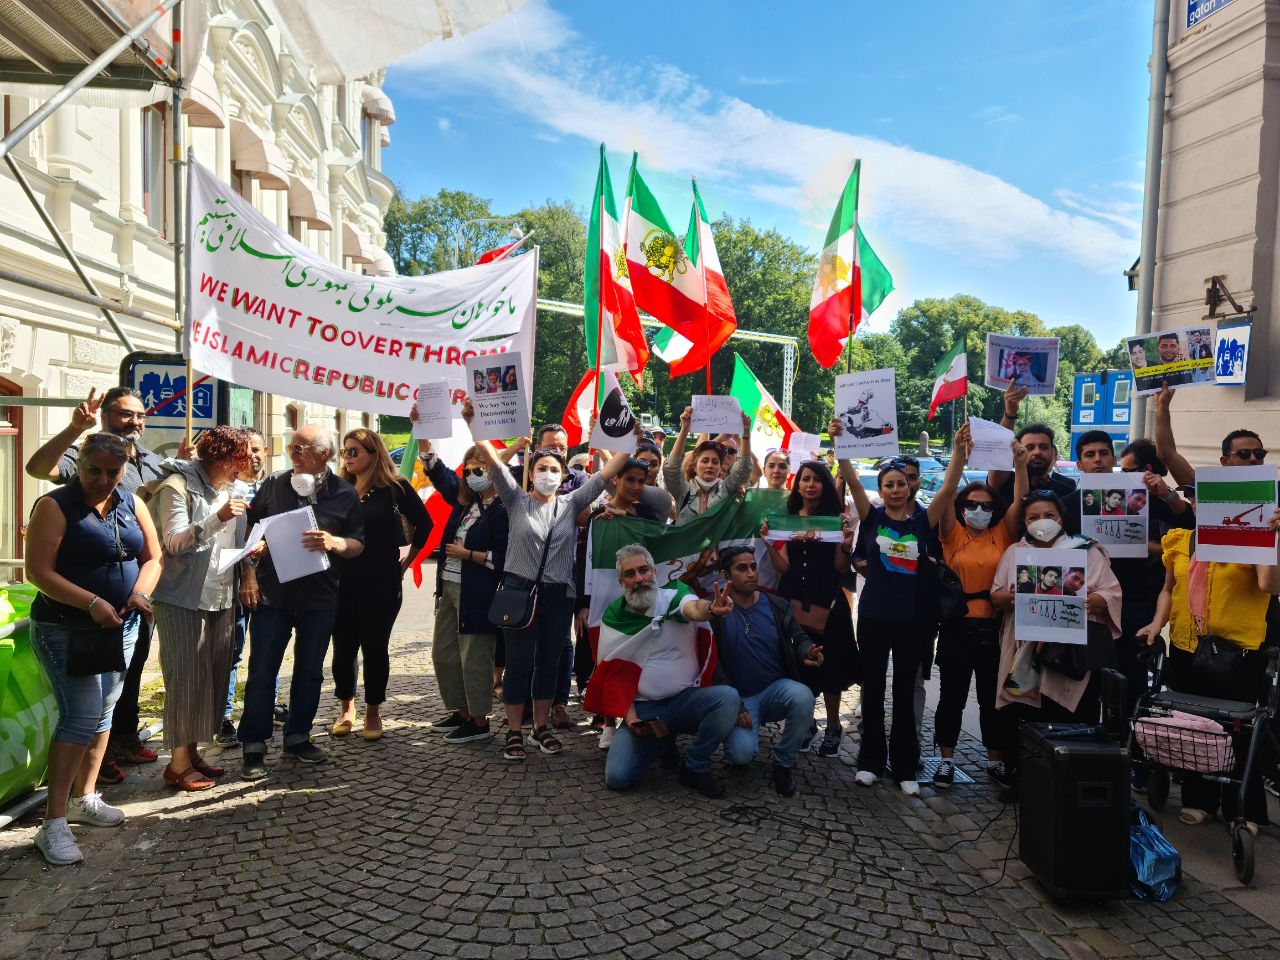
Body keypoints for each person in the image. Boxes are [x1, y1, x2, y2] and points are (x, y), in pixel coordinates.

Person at [462, 398, 635, 760]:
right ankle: (513, 731)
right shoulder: (515, 500)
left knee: (549, 663)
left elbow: (608, 473)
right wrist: (473, 423)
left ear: (562, 475)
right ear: (531, 472)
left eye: (553, 469)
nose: (547, 474)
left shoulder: (572, 503)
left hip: (559, 595)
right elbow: (492, 461)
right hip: (519, 592)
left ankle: (540, 729)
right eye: (541, 468)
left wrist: (623, 437)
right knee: (519, 663)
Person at [24, 432, 162, 864]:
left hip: (119, 626)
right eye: (93, 470)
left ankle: (86, 798)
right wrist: (91, 602)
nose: (103, 480)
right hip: (67, 628)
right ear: (78, 465)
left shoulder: (132, 502)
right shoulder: (54, 505)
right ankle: (53, 824)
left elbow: (153, 558)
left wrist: (140, 594)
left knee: (104, 712)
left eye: (113, 472)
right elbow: (38, 572)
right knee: (80, 715)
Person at [1136, 501, 1280, 831]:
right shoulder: (1180, 541)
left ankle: (1242, 810)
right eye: (1203, 499)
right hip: (1187, 648)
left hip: (1237, 654)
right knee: (1193, 727)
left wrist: (1274, 539)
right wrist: (1156, 624)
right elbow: (1168, 589)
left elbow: (1271, 587)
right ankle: (1199, 800)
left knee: (1237, 731)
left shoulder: (1254, 543)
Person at [832, 423, 955, 796]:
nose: (896, 489)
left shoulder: (922, 521)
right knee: (872, 691)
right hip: (873, 618)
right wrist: (840, 441)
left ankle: (904, 766)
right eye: (889, 485)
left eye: (902, 483)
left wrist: (961, 452)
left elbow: (949, 488)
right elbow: (851, 477)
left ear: (910, 487)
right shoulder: (873, 519)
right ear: (881, 491)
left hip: (911, 621)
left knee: (904, 694)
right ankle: (870, 760)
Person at [237, 425, 365, 778]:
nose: (294, 453)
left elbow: (357, 544)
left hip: (320, 598)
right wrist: (250, 571)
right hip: (273, 596)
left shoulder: (344, 494)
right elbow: (250, 532)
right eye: (291, 447)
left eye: (302, 448)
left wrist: (334, 543)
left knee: (309, 672)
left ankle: (297, 736)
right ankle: (254, 743)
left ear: (324, 454)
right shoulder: (274, 485)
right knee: (263, 670)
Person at [990, 491, 1123, 796]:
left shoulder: (1086, 551)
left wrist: (1095, 601)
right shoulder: (1016, 553)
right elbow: (996, 594)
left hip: (1070, 651)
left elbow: (1111, 592)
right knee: (1023, 713)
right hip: (1025, 649)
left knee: (1070, 716)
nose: (1042, 522)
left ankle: (1067, 784)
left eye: (1048, 515)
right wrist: (1010, 597)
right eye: (1033, 517)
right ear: (1023, 522)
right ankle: (1024, 781)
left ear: (1060, 518)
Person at [590, 545, 739, 797]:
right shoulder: (614, 617)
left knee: (727, 698)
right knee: (617, 777)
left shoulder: (674, 596)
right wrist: (631, 718)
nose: (638, 579)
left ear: (654, 571)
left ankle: (694, 766)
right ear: (621, 581)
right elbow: (611, 675)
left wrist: (712, 608)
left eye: (643, 570)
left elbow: (693, 609)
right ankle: (661, 741)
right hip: (645, 710)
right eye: (630, 574)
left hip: (685, 702)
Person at [149, 426, 251, 791]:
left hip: (222, 596)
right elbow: (174, 542)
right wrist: (217, 518)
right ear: (220, 458)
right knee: (185, 680)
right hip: (181, 599)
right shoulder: (178, 485)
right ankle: (176, 765)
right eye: (239, 461)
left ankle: (191, 754)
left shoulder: (233, 488)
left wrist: (251, 556)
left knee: (209, 678)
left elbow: (234, 544)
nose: (245, 469)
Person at [927, 423, 1029, 788]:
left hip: (996, 627)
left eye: (986, 505)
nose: (979, 510)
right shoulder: (952, 534)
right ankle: (945, 759)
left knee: (992, 698)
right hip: (956, 626)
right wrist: (958, 454)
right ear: (962, 507)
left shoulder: (1002, 532)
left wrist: (1019, 466)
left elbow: (1021, 502)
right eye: (972, 504)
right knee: (951, 697)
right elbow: (947, 490)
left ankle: (995, 759)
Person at [331, 428, 432, 740]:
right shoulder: (337, 487)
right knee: (343, 647)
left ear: (373, 455)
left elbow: (425, 523)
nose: (346, 457)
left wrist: (408, 561)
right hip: (340, 580)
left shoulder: (394, 486)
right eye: (344, 451)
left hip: (381, 580)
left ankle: (373, 710)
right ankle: (347, 706)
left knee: (375, 647)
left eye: (353, 451)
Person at [760, 461, 857, 759]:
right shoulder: (787, 520)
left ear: (825, 484)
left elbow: (840, 568)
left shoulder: (834, 519)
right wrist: (770, 544)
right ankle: (806, 723)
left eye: (816, 479)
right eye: (805, 479)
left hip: (827, 599)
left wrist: (845, 545)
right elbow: (784, 568)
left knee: (831, 666)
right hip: (794, 599)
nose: (810, 485)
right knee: (799, 665)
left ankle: (833, 728)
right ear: (797, 484)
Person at [710, 546, 824, 797]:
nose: (751, 573)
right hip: (739, 700)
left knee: (804, 696)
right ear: (725, 575)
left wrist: (807, 651)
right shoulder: (716, 613)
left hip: (774, 690)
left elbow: (798, 636)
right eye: (742, 568)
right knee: (740, 756)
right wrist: (734, 705)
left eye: (753, 566)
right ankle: (736, 734)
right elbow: (712, 665)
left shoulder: (776, 604)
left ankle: (783, 763)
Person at [575, 457, 674, 746]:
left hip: (641, 598)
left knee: (639, 658)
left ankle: (637, 714)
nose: (636, 486)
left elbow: (666, 524)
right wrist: (583, 603)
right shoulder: (599, 517)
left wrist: (629, 519)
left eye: (641, 481)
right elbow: (587, 560)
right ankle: (608, 722)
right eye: (629, 479)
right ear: (615, 480)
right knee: (609, 657)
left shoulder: (648, 516)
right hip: (606, 598)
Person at [420, 438, 509, 744]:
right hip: (449, 587)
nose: (473, 474)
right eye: (469, 469)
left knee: (474, 658)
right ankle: (461, 711)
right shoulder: (465, 502)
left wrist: (469, 554)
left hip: (478, 593)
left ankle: (480, 720)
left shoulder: (503, 509)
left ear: (494, 471)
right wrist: (424, 439)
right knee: (443, 654)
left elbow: (505, 558)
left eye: (480, 467)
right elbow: (440, 474)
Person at [217, 428, 269, 747]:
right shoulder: (227, 490)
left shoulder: (276, 487)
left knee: (266, 651)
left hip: (271, 582)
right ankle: (224, 717)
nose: (253, 455)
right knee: (231, 651)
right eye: (246, 449)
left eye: (257, 449)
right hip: (231, 581)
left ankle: (265, 706)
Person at [1153, 383, 1267, 489]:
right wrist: (1163, 405)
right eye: (1244, 454)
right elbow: (1167, 454)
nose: (1253, 459)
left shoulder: (1276, 491)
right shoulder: (1211, 491)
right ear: (1225, 462)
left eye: (1259, 453)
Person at [991, 382, 1077, 505]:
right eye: (1029, 447)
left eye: (1043, 447)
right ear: (1017, 451)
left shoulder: (1067, 487)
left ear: (1052, 453)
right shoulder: (1004, 481)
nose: (1037, 452)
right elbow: (1001, 448)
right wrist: (1010, 414)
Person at [664, 408, 754, 525]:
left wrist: (746, 434)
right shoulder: (683, 490)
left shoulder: (726, 489)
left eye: (715, 462)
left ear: (720, 467)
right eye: (705, 461)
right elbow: (671, 467)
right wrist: (685, 428)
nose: (710, 465)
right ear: (695, 466)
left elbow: (744, 468)